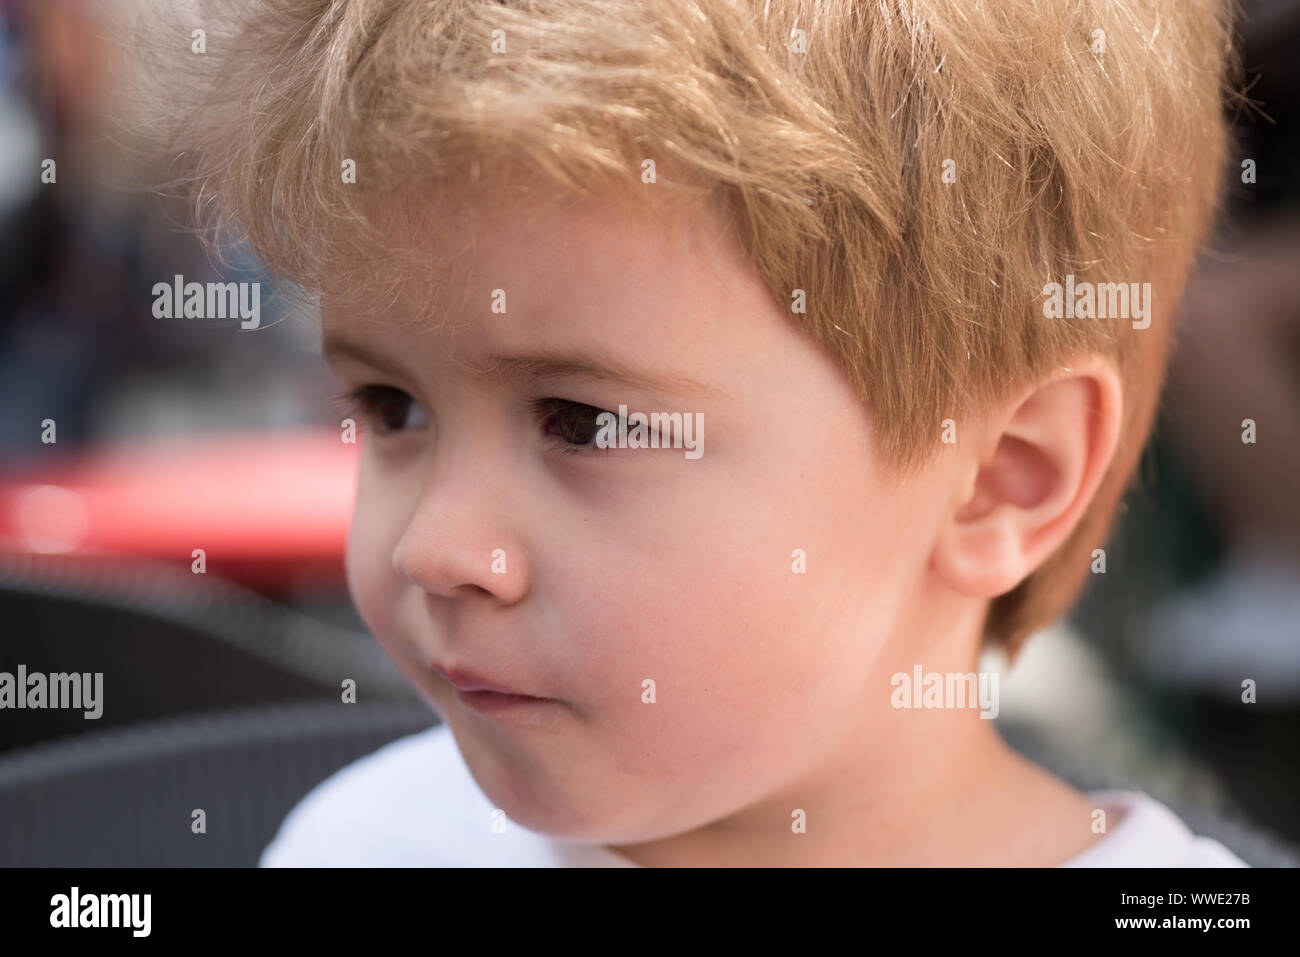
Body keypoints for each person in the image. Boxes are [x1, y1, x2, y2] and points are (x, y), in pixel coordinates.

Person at [148, 0, 1246, 866]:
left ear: (999, 479)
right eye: (394, 409)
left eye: (580, 422)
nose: (432, 547)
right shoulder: (373, 846)